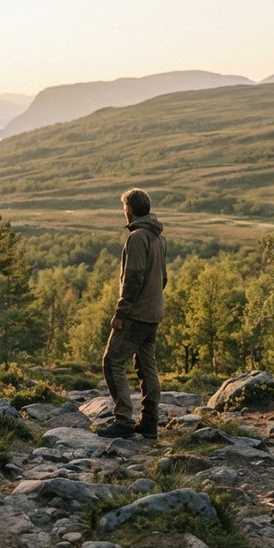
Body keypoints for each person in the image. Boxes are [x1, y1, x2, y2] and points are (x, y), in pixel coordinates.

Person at [97, 187, 167, 440]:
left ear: (129, 209)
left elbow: (133, 278)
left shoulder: (137, 237)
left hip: (136, 315)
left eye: (124, 208)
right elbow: (163, 278)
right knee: (147, 366)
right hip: (153, 313)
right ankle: (149, 423)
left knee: (112, 362)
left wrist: (121, 313)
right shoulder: (158, 237)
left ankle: (124, 419)